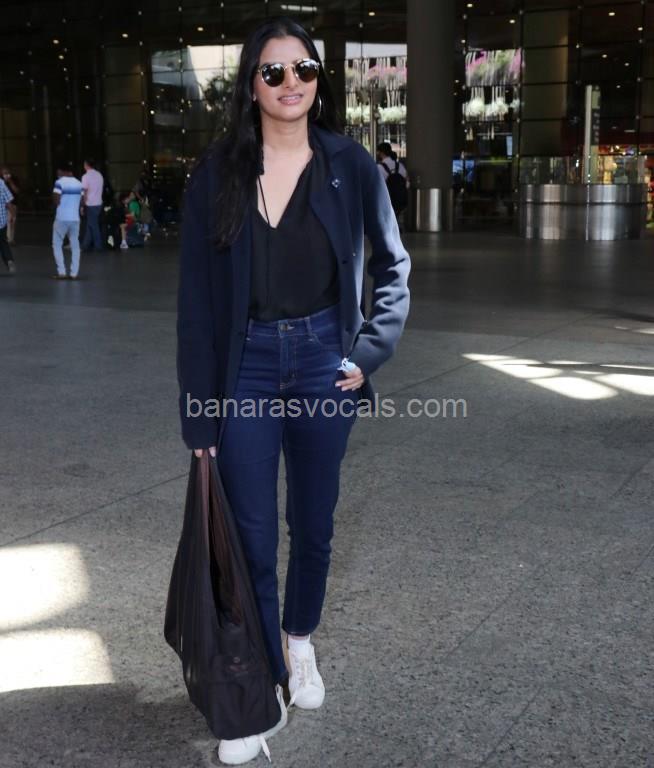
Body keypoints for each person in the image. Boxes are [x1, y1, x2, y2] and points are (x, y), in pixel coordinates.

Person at [176, 16, 410, 766]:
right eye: (273, 71)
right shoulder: (216, 174)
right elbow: (195, 302)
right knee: (249, 534)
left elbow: (393, 266)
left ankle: (299, 640)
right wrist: (199, 414)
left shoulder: (350, 164)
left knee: (313, 521)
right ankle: (264, 680)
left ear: (318, 80)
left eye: (303, 70)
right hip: (243, 366)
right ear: (252, 84)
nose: (290, 83)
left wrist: (368, 351)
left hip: (321, 363)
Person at [52, 162, 83, 279]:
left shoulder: (59, 182)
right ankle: (74, 273)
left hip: (62, 218)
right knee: (75, 244)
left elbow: (56, 200)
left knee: (57, 244)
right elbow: (82, 201)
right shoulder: (79, 184)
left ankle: (62, 272)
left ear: (62, 171)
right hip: (75, 218)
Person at [376, 140, 409, 230]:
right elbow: (407, 182)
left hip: (386, 200)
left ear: (381, 153)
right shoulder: (400, 166)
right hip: (400, 199)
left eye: (378, 152)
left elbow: (377, 185)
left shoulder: (379, 167)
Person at [80, 158, 105, 252]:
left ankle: (98, 246)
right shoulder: (99, 175)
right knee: (90, 225)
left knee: (93, 226)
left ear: (86, 165)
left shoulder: (85, 177)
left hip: (90, 204)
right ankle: (85, 245)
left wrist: (82, 205)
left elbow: (84, 192)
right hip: (99, 203)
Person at [0, 176, 16, 275]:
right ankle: (9, 260)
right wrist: (13, 215)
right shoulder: (1, 183)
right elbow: (9, 202)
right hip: (1, 221)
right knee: (3, 242)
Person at [1, 167, 19, 244]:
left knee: (12, 221)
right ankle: (7, 239)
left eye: (7, 173)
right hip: (3, 205)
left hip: (13, 204)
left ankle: (11, 239)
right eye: (4, 173)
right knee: (7, 221)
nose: (6, 175)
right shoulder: (1, 181)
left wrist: (10, 182)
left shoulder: (14, 180)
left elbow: (17, 191)